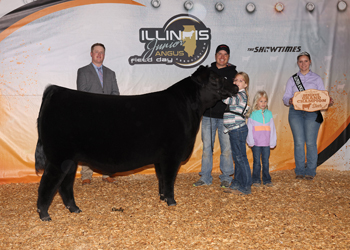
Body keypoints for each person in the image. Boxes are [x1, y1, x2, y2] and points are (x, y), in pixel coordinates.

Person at [282, 51, 333, 180]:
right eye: (300, 61)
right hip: (295, 111)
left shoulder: (317, 78)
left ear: (310, 62)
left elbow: (322, 96)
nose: (303, 64)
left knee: (310, 143)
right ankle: (299, 171)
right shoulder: (292, 79)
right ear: (297, 63)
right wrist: (290, 100)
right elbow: (285, 97)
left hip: (312, 112)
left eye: (305, 61)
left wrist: (328, 100)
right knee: (299, 142)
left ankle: (310, 171)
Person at [193, 44, 237, 188]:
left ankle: (226, 177)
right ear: (215, 56)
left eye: (225, 54)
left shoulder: (233, 73)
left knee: (226, 148)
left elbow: (236, 92)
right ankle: (205, 177)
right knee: (207, 148)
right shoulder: (207, 72)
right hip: (208, 116)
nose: (222, 57)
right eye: (220, 54)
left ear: (228, 57)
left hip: (226, 116)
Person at [77, 43, 120, 185]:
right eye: (96, 52)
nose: (99, 54)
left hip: (108, 115)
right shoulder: (83, 71)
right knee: (89, 145)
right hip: (90, 115)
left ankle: (107, 173)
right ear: (91, 54)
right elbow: (82, 94)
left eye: (101, 52)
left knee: (108, 145)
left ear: (104, 55)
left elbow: (116, 93)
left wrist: (109, 108)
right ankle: (86, 176)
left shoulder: (111, 73)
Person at [223, 72, 252, 195]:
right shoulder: (238, 94)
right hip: (234, 130)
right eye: (235, 80)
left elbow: (228, 100)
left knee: (241, 158)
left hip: (238, 130)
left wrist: (221, 92)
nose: (236, 82)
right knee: (238, 158)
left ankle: (245, 187)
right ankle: (236, 183)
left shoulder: (241, 95)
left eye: (240, 81)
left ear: (245, 85)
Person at [246, 90, 276, 187]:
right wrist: (250, 141)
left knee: (266, 162)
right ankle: (256, 180)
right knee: (257, 162)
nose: (263, 103)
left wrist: (272, 141)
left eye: (265, 101)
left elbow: (272, 129)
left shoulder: (269, 114)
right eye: (261, 101)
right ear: (256, 102)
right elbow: (249, 129)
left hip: (266, 143)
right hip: (256, 144)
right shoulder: (253, 115)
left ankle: (267, 180)